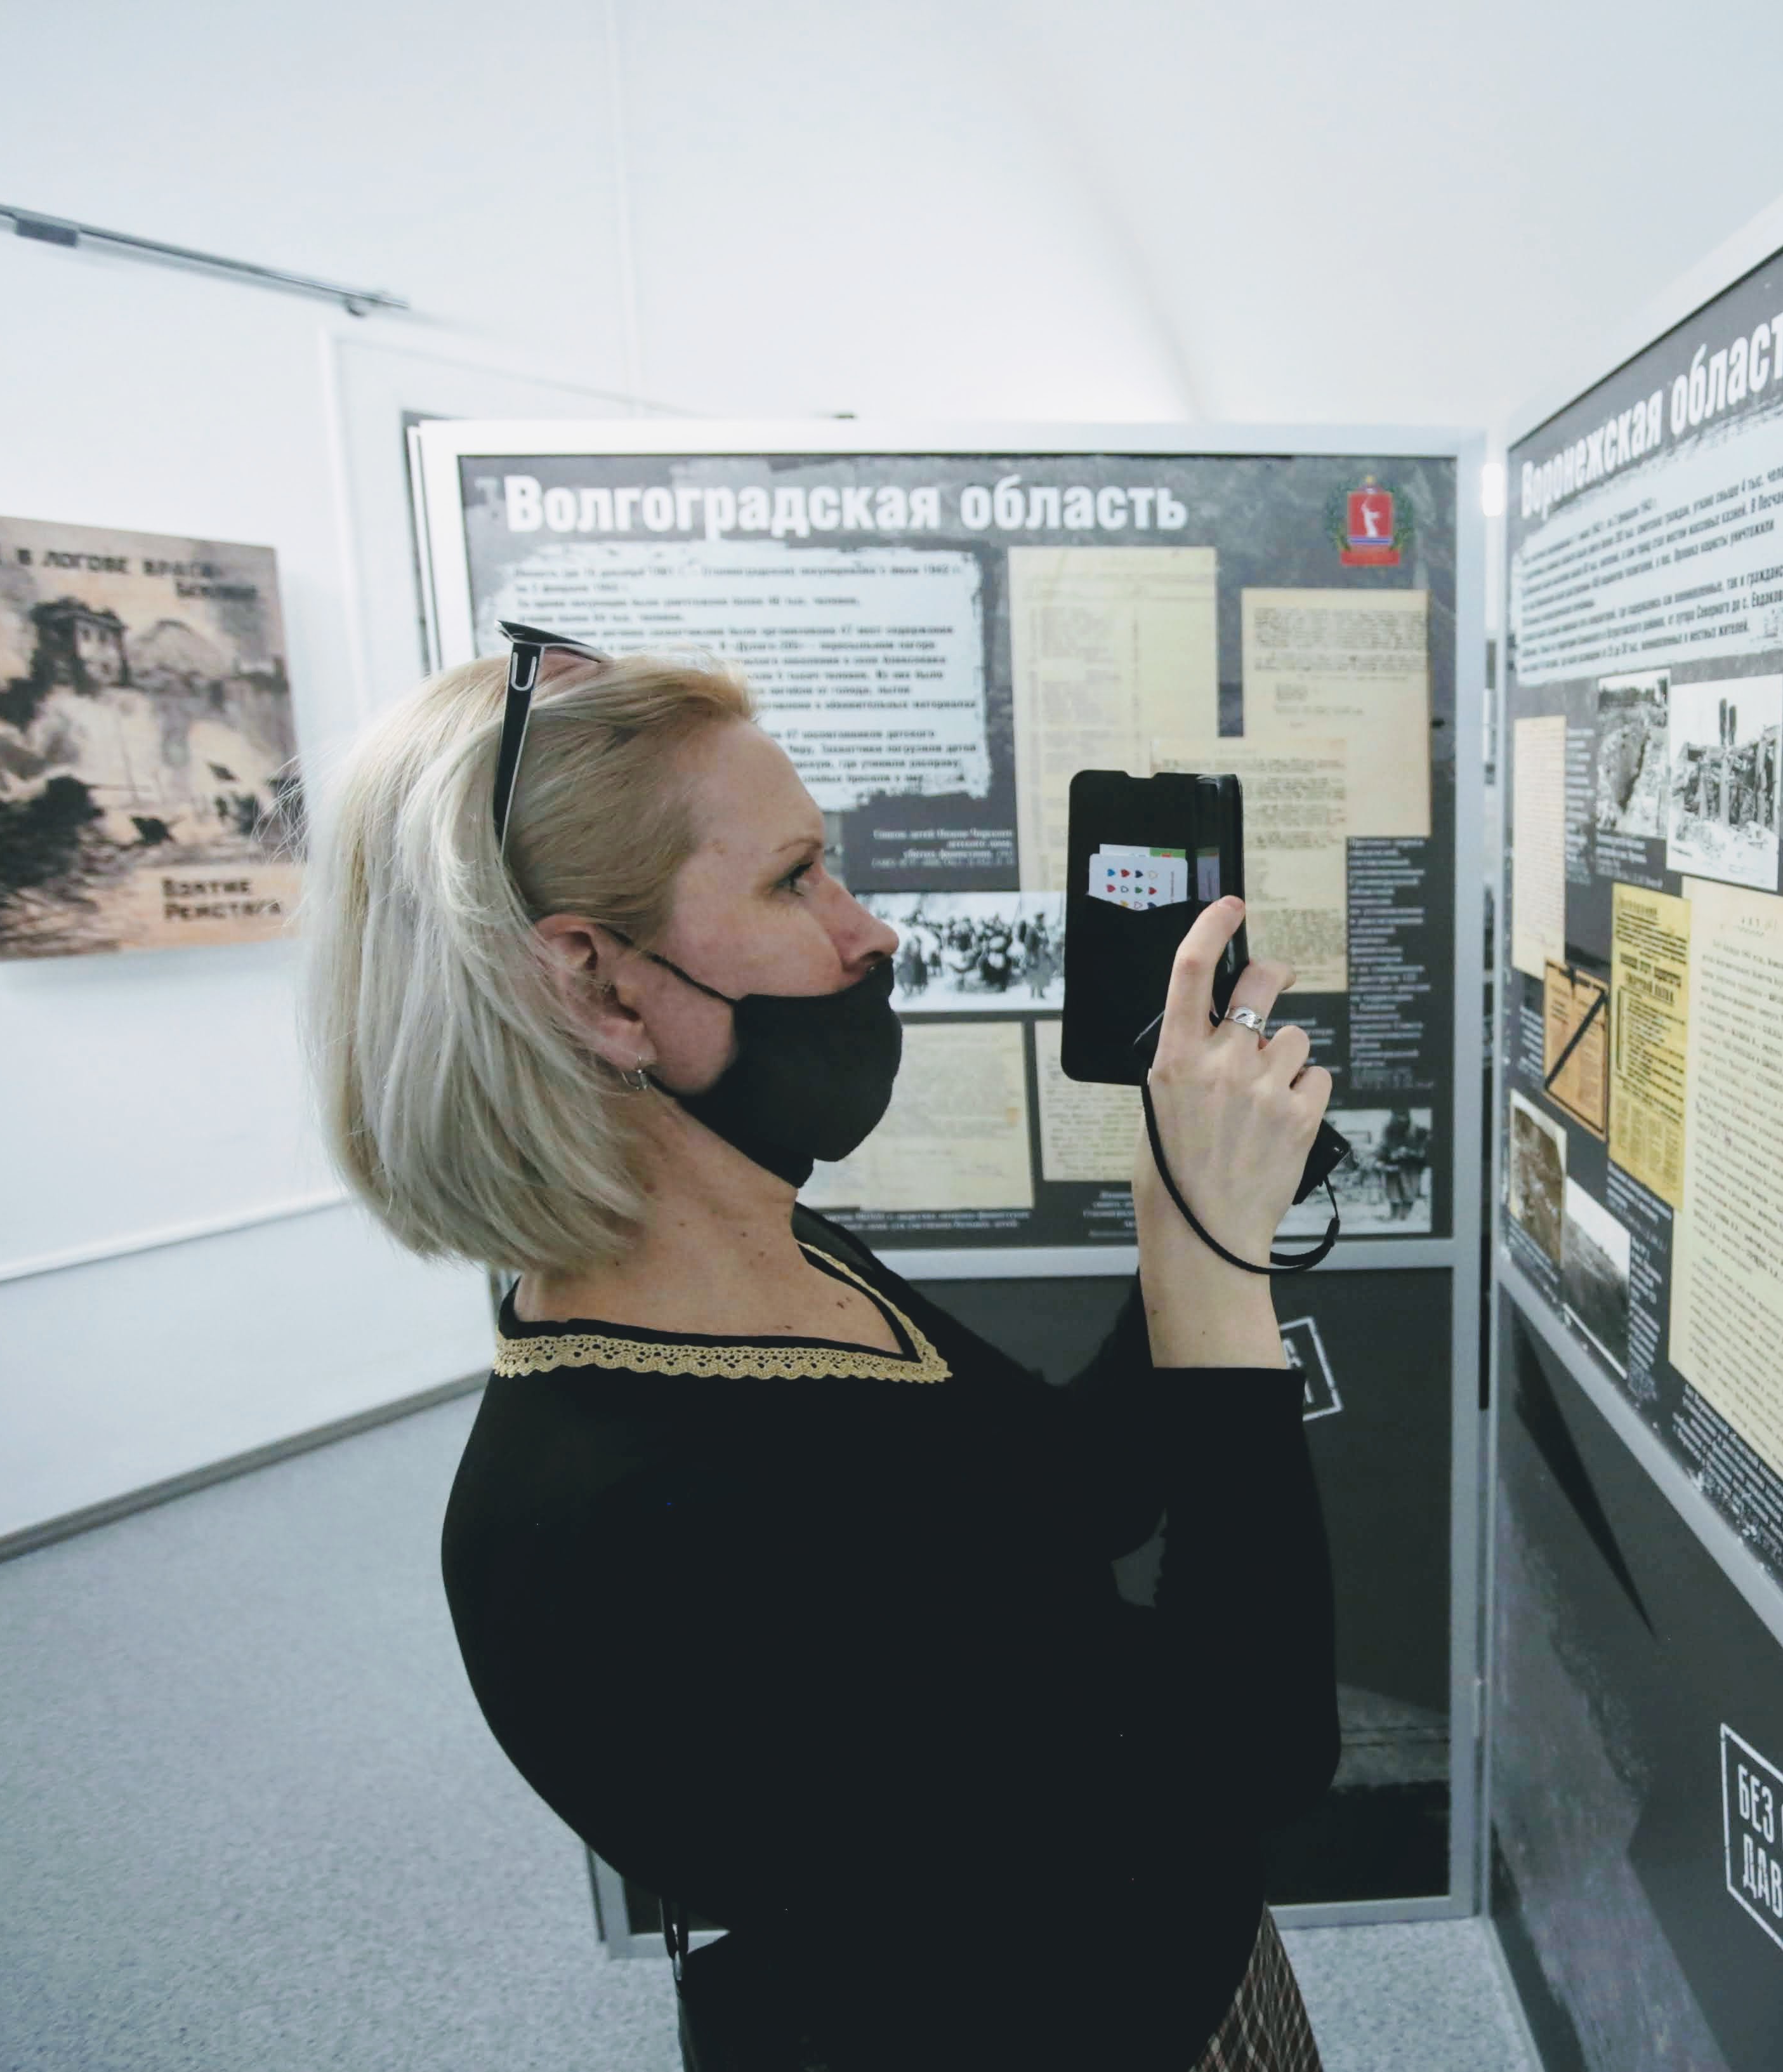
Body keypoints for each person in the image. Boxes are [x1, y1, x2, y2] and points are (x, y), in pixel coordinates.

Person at [303, 635, 1339, 2071]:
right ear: (600, 988)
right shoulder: (631, 1517)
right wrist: (1214, 1271)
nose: (869, 933)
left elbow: (1067, 1487)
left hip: (1191, 1978)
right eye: (795, 881)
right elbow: (1243, 1754)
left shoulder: (777, 1264)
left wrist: (1189, 1197)